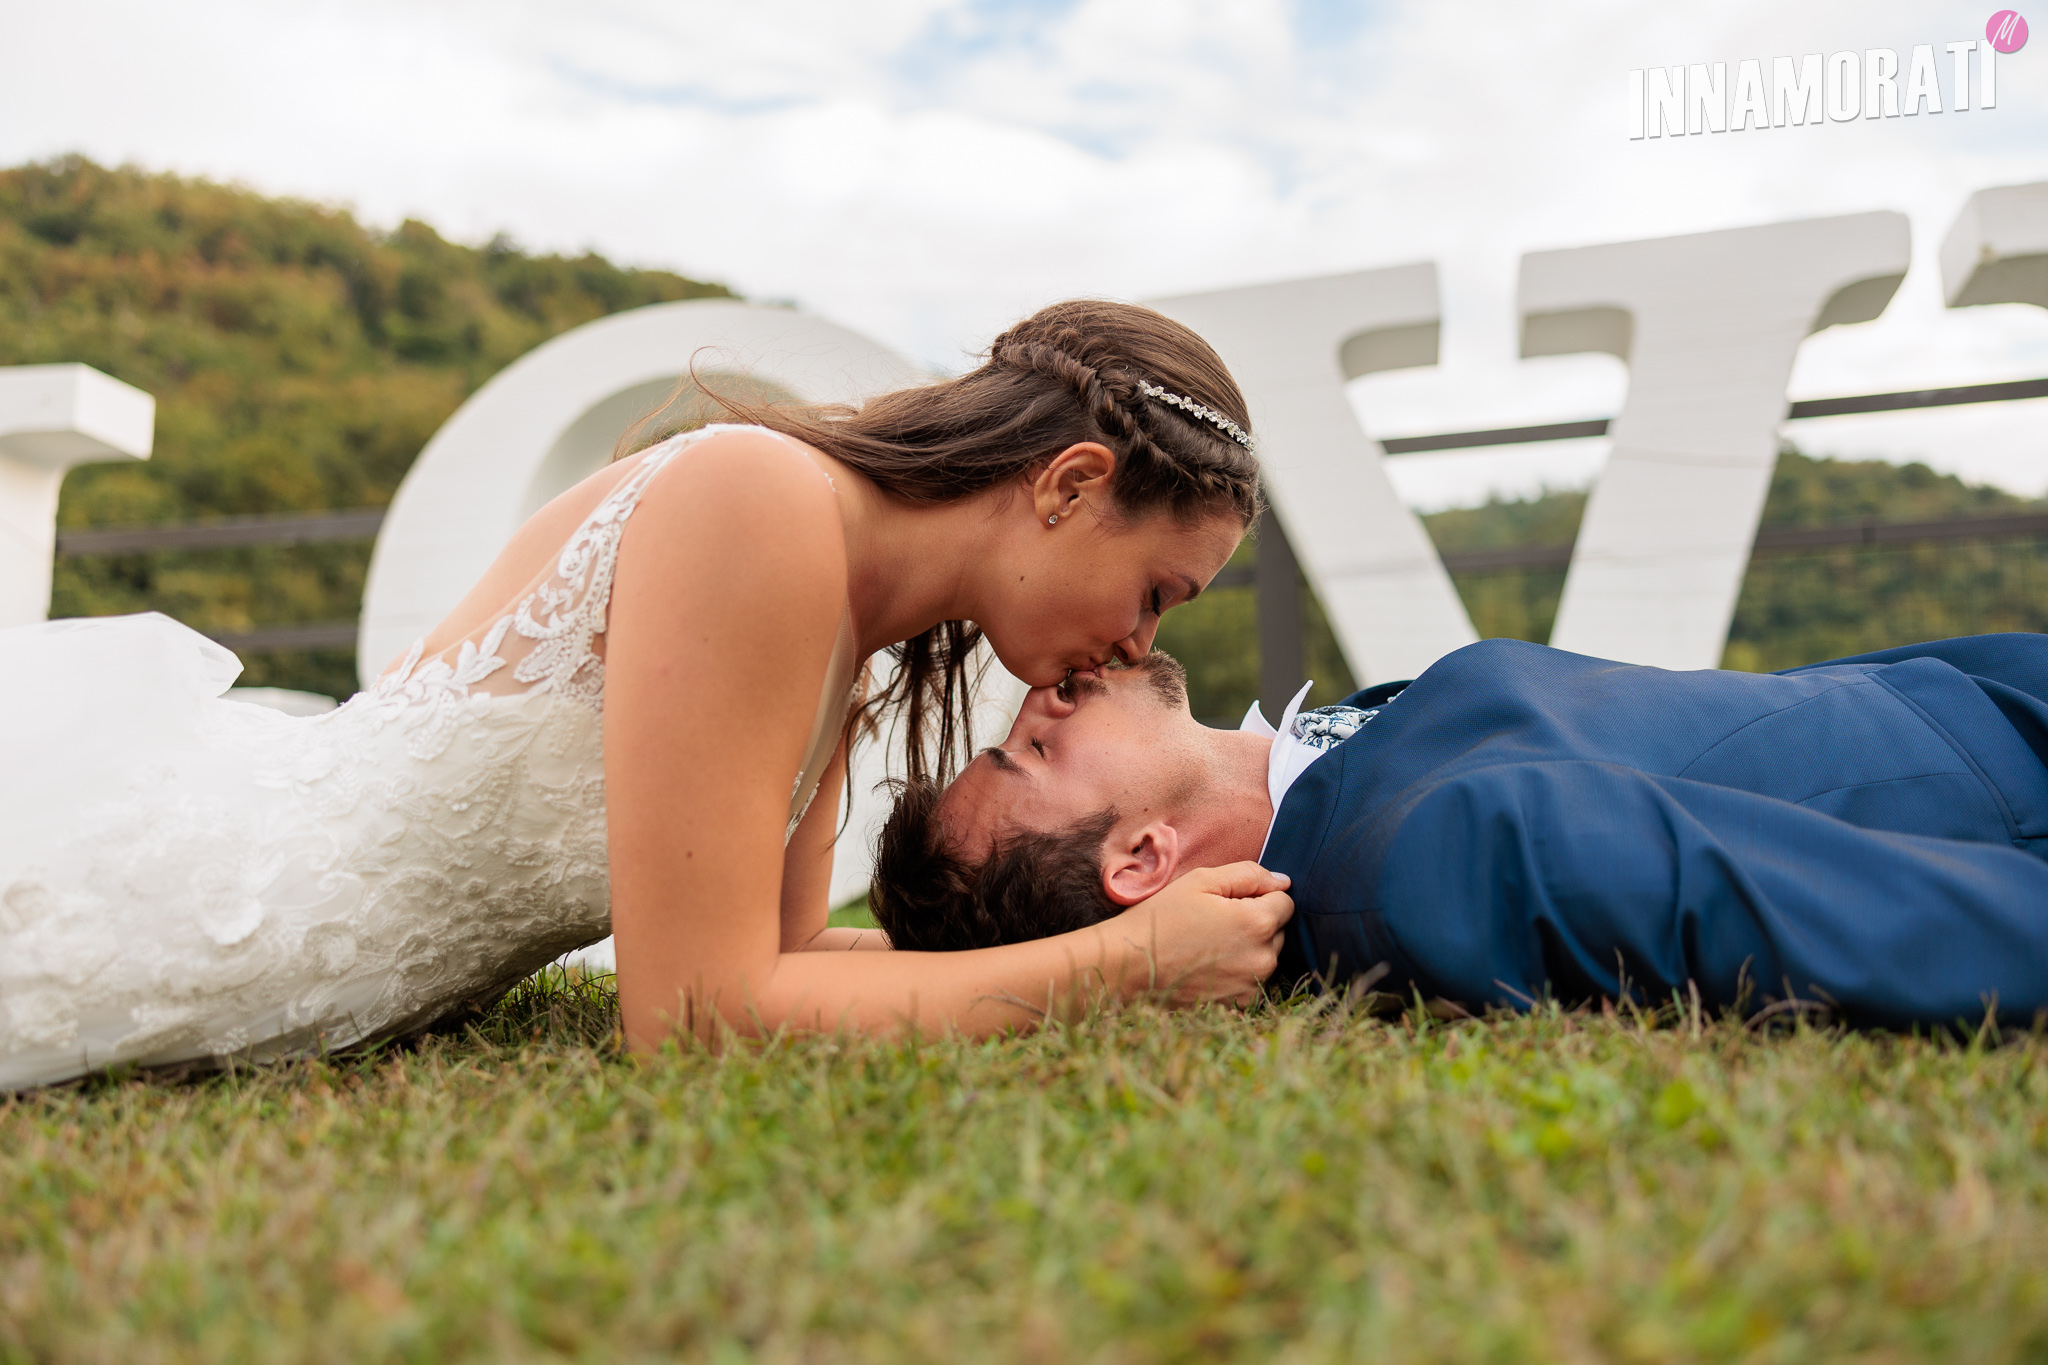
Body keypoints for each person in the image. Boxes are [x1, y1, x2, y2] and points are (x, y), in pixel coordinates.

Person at [0, 300, 1296, 1090]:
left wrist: (1154, 947)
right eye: (1156, 593)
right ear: (1069, 486)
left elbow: (783, 959)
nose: (1133, 647)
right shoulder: (762, 504)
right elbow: (694, 1018)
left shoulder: (847, 610)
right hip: (196, 899)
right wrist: (1122, 965)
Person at [870, 635, 2048, 1029]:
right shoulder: (1425, 862)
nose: (1042, 697)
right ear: (1140, 862)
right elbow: (1847, 914)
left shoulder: (1332, 778)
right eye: (1033, 754)